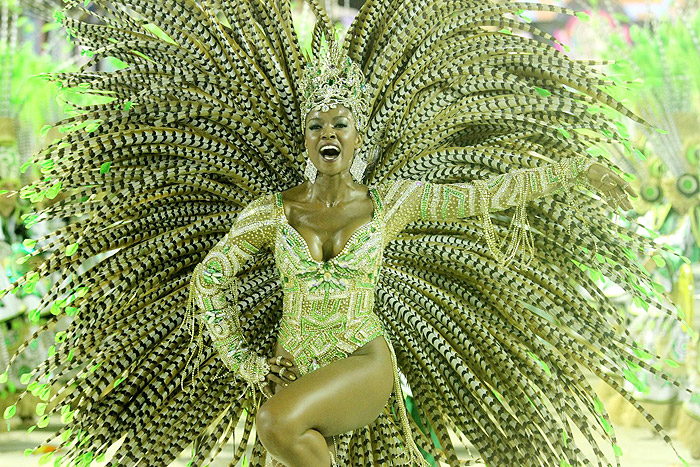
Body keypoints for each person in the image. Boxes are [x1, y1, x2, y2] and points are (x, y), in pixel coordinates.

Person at [1, 1, 694, 466]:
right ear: (305, 137)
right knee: (286, 430)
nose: (328, 134)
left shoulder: (392, 202)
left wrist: (576, 169)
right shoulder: (271, 212)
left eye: (341, 124)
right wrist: (245, 360)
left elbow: (487, 192)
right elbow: (209, 278)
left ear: (358, 134)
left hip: (363, 363)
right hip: (290, 371)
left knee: (276, 425)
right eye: (317, 124)